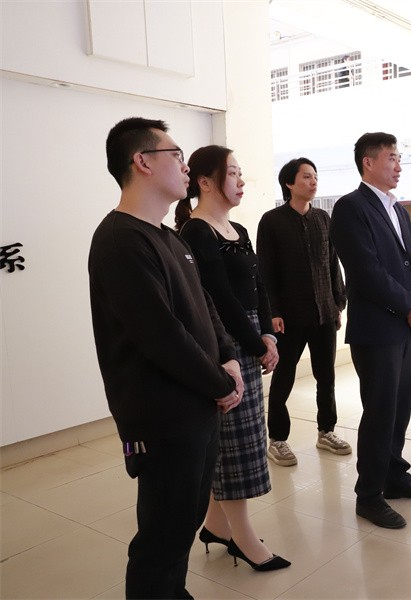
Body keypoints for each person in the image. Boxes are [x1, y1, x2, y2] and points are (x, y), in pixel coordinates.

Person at [89, 118, 243, 599]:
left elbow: (205, 305)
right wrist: (221, 384)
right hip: (162, 417)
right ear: (142, 161)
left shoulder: (169, 237)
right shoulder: (120, 240)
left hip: (198, 408)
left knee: (184, 522)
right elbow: (161, 335)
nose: (185, 165)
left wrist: (228, 358)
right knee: (162, 535)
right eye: (175, 155)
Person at [175, 146, 289, 572]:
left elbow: (258, 285)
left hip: (251, 335)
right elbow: (219, 298)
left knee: (241, 437)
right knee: (235, 445)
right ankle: (243, 538)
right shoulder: (196, 231)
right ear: (205, 182)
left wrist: (266, 333)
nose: (242, 181)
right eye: (234, 173)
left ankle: (216, 526)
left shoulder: (237, 228)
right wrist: (257, 345)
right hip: (223, 344)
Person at [330, 132, 411, 529]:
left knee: (400, 408)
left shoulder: (397, 208)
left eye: (398, 158)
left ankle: (394, 476)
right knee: (380, 411)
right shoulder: (350, 208)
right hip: (377, 330)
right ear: (368, 162)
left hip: (406, 328)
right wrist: (408, 305)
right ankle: (369, 495)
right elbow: (365, 270)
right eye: (392, 158)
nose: (398, 165)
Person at [256, 158, 351, 466]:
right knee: (284, 378)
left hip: (324, 313)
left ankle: (327, 431)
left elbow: (333, 262)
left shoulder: (323, 218)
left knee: (326, 377)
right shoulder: (272, 221)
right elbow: (265, 271)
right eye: (307, 177)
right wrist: (272, 312)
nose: (313, 182)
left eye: (315, 176)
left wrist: (337, 303)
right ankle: (277, 439)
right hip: (289, 318)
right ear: (289, 183)